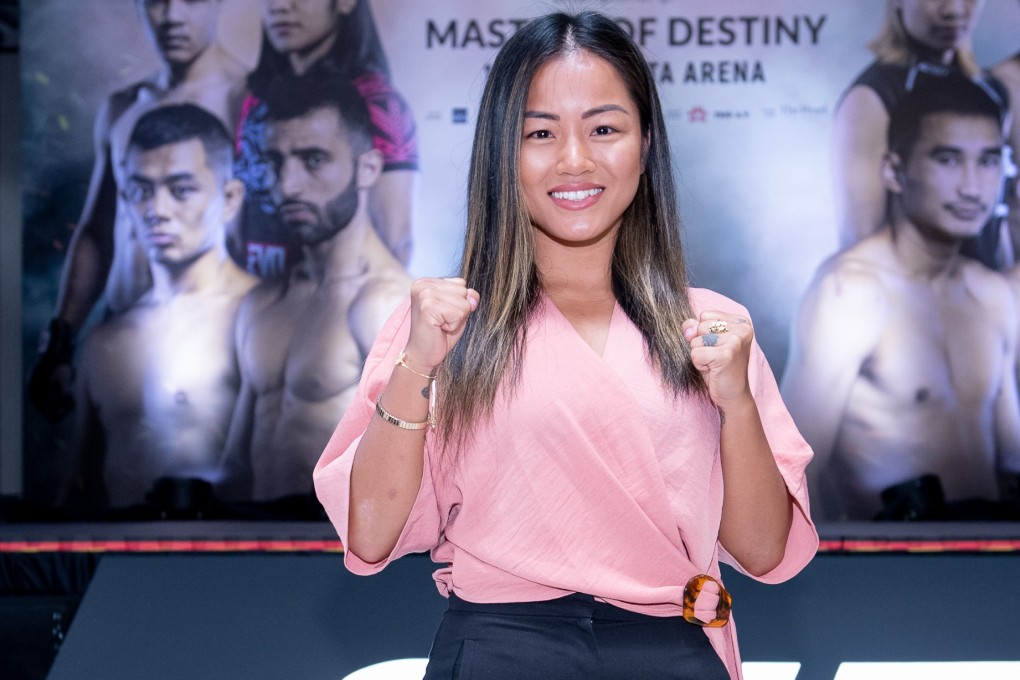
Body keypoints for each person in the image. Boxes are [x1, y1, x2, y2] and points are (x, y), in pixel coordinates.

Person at [314, 12, 817, 680]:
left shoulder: (714, 330)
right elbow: (370, 533)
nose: (574, 160)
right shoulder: (443, 323)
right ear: (501, 151)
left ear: (645, 143)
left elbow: (761, 550)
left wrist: (737, 404)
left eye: (604, 129)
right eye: (540, 134)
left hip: (672, 650)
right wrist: (417, 366)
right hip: (502, 648)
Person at [783, 75, 1020, 521]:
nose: (973, 188)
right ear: (893, 171)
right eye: (948, 160)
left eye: (988, 161)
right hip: (887, 564)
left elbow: (1011, 464)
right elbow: (792, 470)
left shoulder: (992, 295)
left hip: (992, 565)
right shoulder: (850, 292)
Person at [28, 0, 249, 423]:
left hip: (215, 341)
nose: (172, 17)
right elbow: (98, 229)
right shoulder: (122, 107)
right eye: (156, 2)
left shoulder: (248, 101)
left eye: (192, 1)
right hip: (124, 329)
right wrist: (59, 342)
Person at [220, 74, 410, 503]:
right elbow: (235, 468)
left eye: (314, 160)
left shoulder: (388, 306)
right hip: (253, 551)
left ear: (368, 169)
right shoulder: (262, 303)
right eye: (274, 162)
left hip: (343, 562)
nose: (288, 186)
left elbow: (423, 478)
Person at [67, 104, 256, 510]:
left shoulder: (262, 319)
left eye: (181, 189)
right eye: (141, 190)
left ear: (229, 198)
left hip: (248, 562)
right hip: (124, 564)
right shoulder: (105, 342)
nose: (157, 210)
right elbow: (82, 490)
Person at [235, 0, 417, 278]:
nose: (280, 6)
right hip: (260, 296)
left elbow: (396, 241)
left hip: (334, 305)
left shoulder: (378, 105)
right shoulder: (254, 100)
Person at [832, 0, 1010, 268]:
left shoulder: (993, 91)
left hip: (984, 296)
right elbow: (859, 244)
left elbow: (997, 224)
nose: (954, 10)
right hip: (911, 301)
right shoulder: (872, 97)